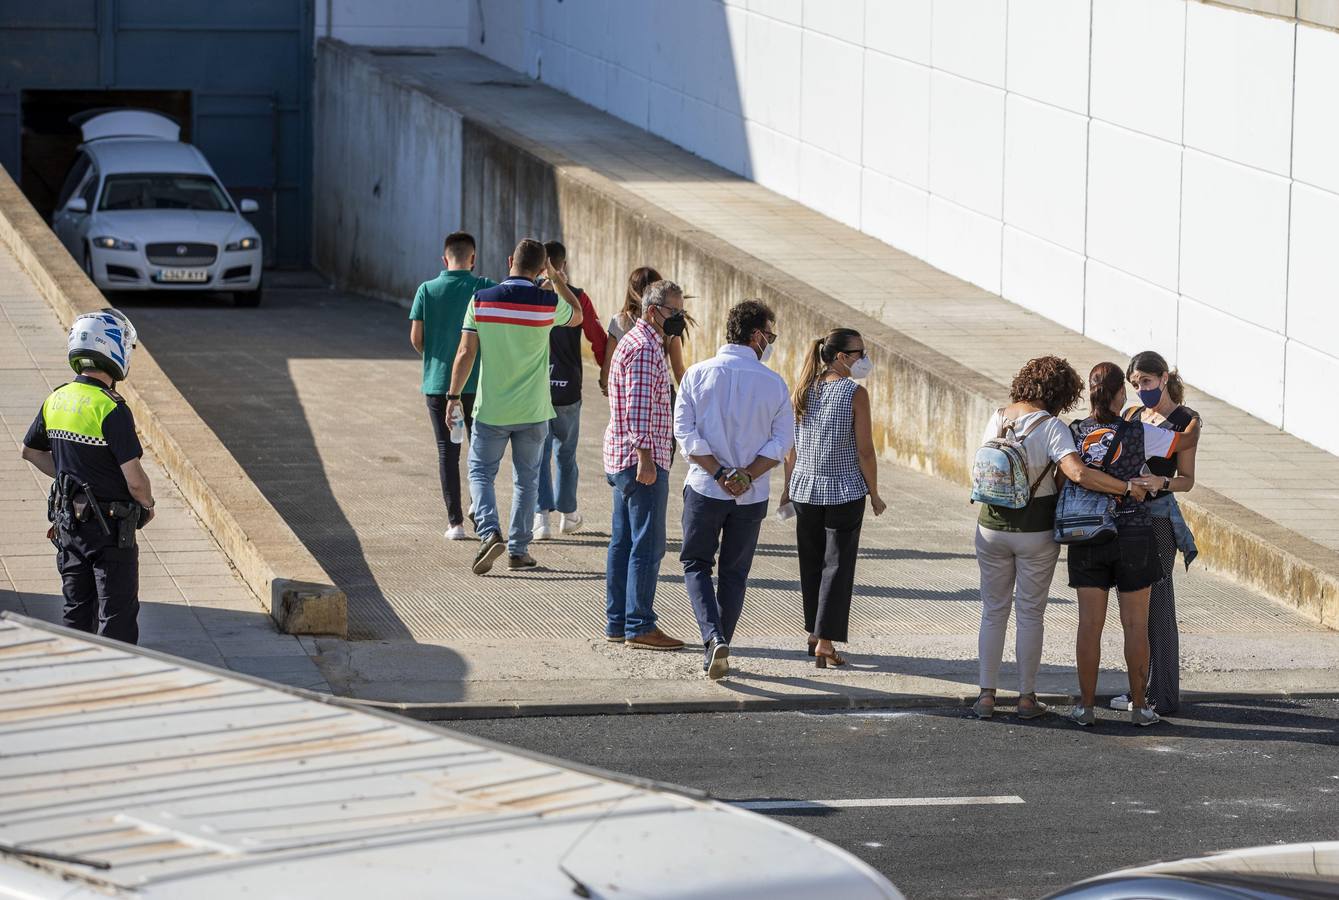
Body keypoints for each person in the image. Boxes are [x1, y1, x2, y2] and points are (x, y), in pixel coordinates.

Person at [970, 356, 1137, 721]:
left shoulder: (998, 417)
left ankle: (985, 696)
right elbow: (1077, 473)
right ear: (1061, 393)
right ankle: (1026, 698)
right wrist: (1123, 487)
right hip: (1035, 531)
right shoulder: (1051, 427)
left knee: (993, 611)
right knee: (1030, 614)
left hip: (990, 527)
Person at [1067, 362, 1200, 728]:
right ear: (1120, 395)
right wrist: (1192, 424)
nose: (1139, 390)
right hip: (1134, 529)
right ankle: (1142, 705)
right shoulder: (1138, 429)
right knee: (1136, 624)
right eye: (1132, 385)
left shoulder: (1074, 432)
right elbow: (1185, 441)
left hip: (1087, 533)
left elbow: (1073, 472)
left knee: (1089, 625)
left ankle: (1087, 707)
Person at [445, 239, 583, 575]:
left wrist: (452, 397)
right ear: (541, 269)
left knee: (480, 472)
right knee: (527, 481)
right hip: (534, 411)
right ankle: (519, 551)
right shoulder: (547, 303)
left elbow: (465, 353)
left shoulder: (481, 300)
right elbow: (578, 315)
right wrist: (558, 278)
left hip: (492, 408)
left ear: (510, 260)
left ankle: (490, 531)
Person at [20, 309, 155, 644]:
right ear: (115, 350)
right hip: (111, 531)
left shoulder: (57, 398)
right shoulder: (111, 407)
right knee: (116, 617)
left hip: (69, 526)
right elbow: (134, 477)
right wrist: (147, 504)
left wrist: (71, 476)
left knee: (76, 611)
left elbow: (31, 451)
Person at [675, 299, 793, 679]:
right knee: (734, 573)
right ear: (756, 335)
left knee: (696, 563)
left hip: (705, 488)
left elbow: (685, 433)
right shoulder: (774, 383)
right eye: (770, 335)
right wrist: (745, 475)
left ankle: (713, 639)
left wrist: (721, 472)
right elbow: (781, 442)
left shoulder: (696, 373)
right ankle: (720, 642)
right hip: (751, 495)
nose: (770, 342)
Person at [779, 329, 886, 670]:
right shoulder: (855, 393)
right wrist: (875, 492)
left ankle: (814, 633)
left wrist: (786, 487)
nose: (863, 358)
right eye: (859, 352)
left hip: (805, 489)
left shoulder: (802, 390)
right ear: (841, 356)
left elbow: (790, 449)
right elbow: (865, 451)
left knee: (811, 564)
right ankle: (825, 640)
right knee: (837, 565)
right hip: (844, 490)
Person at [1109, 350, 1202, 716]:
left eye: (1146, 382)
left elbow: (1188, 480)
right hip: (1128, 515)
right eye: (1135, 385)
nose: (1141, 390)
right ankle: (1140, 688)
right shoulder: (1132, 415)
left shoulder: (1186, 420)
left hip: (1160, 518)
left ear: (1163, 378)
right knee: (1134, 609)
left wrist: (1160, 480)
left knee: (1159, 607)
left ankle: (1161, 694)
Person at [602, 280, 688, 651]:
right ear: (653, 312)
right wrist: (647, 459)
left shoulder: (646, 344)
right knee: (647, 546)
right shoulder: (643, 350)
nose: (679, 319)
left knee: (624, 543)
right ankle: (639, 624)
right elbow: (637, 409)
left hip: (626, 458)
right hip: (640, 462)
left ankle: (619, 622)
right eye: (674, 312)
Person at [410, 231, 495, 540]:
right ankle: (478, 506)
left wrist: (436, 358)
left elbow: (416, 339)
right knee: (480, 449)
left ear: (444, 259)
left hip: (437, 385)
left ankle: (455, 524)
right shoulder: (484, 287)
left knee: (447, 451)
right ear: (473, 258)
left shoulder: (426, 290)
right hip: (477, 383)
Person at [533, 240, 607, 541]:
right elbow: (597, 337)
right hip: (568, 388)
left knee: (539, 453)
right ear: (563, 265)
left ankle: (541, 519)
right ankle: (569, 514)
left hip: (535, 389)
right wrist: (605, 372)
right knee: (566, 453)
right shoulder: (578, 298)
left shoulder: (529, 295)